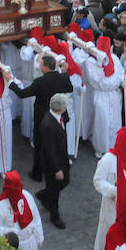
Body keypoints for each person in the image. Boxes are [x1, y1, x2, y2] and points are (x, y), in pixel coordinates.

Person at [4, 54, 73, 181]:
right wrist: (64, 72)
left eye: (41, 65)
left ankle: (37, 173)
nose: (40, 67)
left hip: (43, 118)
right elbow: (70, 88)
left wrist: (10, 81)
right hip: (59, 116)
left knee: (40, 145)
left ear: (46, 68)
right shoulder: (63, 78)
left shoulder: (39, 82)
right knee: (59, 143)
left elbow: (22, 93)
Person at [0, 171, 43, 250]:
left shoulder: (27, 196)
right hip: (17, 247)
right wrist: (9, 232)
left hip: (32, 242)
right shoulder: (0, 206)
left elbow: (36, 217)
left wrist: (40, 237)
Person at [84, 36, 126, 158]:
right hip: (101, 95)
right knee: (102, 122)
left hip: (114, 94)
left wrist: (124, 81)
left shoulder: (114, 58)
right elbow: (98, 80)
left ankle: (114, 147)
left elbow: (120, 73)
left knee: (115, 121)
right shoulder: (91, 61)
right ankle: (101, 148)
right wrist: (99, 63)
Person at [36, 93, 70, 229]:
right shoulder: (49, 125)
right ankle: (55, 217)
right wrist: (57, 169)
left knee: (64, 182)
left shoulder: (56, 117)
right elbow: (49, 150)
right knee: (55, 190)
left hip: (61, 159)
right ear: (61, 108)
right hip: (53, 164)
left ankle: (44, 195)